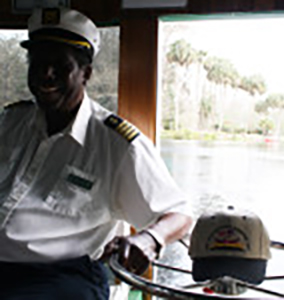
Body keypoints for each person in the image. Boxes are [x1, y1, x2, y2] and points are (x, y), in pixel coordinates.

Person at [0, 6, 192, 300]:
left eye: (59, 65)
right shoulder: (10, 123)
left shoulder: (117, 145)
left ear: (85, 73)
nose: (45, 74)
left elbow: (178, 214)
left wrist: (149, 238)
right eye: (37, 63)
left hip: (60, 278)